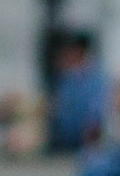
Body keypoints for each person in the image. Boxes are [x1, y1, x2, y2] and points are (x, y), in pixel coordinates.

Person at [45, 23, 107, 158]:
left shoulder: (97, 80)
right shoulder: (64, 79)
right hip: (61, 146)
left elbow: (95, 119)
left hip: (86, 150)